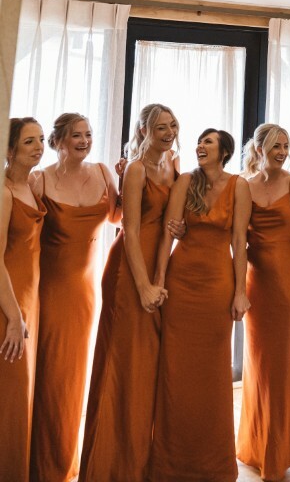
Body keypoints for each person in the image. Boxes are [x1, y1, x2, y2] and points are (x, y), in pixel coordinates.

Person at [79, 103, 180, 482]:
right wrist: (144, 286)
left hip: (158, 267)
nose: (168, 132)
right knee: (125, 364)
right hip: (128, 272)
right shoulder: (136, 170)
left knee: (147, 367)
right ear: (144, 131)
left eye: (171, 126)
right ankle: (112, 465)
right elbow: (131, 231)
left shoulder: (174, 164)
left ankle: (141, 459)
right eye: (159, 128)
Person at [150, 127, 251, 482]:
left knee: (212, 373)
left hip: (217, 286)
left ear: (224, 151)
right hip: (181, 284)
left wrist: (241, 291)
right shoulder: (185, 182)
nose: (199, 146)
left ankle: (213, 463)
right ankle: (170, 462)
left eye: (208, 142)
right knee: (175, 372)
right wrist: (159, 281)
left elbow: (240, 241)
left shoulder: (240, 186)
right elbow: (167, 232)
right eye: (199, 142)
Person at [30, 113, 121, 482]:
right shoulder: (41, 179)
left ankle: (64, 460)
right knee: (50, 377)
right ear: (58, 141)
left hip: (86, 293)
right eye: (76, 135)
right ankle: (40, 465)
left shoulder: (102, 172)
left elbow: (120, 217)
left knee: (72, 380)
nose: (84, 140)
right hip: (49, 291)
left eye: (88, 134)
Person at [236, 124, 290, 482]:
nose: (282, 151)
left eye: (286, 145)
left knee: (284, 365)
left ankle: (283, 449)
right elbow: (238, 238)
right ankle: (257, 446)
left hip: (288, 284)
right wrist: (238, 287)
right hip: (257, 284)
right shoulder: (244, 185)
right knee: (259, 364)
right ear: (259, 148)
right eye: (275, 145)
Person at [0, 118, 46, 482]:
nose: (39, 146)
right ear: (9, 149)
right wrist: (14, 316)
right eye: (30, 141)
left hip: (30, 301)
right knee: (9, 398)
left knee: (21, 397)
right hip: (8, 305)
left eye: (42, 139)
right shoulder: (3, 192)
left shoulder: (31, 184)